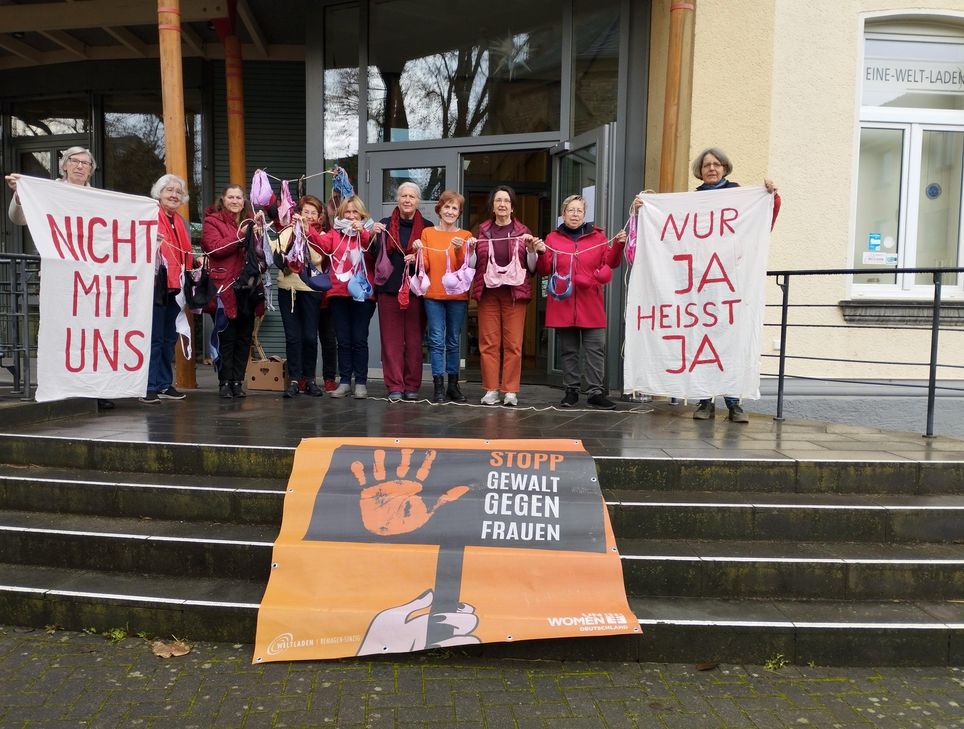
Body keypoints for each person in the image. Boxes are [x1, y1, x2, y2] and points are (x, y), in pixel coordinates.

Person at [634, 147, 781, 423]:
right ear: (699, 172)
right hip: (700, 285)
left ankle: (734, 403)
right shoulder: (694, 201)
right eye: (706, 165)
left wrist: (771, 197)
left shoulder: (740, 198)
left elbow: (761, 225)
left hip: (730, 284)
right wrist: (646, 210)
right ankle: (705, 401)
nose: (711, 169)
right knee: (702, 339)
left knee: (730, 341)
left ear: (725, 168)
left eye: (716, 164)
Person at [6, 147, 115, 411]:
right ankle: (62, 388)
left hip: (92, 279)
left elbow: (116, 231)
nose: (80, 166)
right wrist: (21, 194)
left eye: (85, 163)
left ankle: (95, 389)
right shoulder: (48, 191)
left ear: (91, 170)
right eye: (74, 161)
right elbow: (18, 218)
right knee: (61, 334)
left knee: (92, 335)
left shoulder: (99, 198)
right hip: (59, 278)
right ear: (64, 165)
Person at [537, 195, 626, 410]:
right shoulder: (552, 238)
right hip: (563, 302)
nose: (575, 214)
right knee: (569, 351)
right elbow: (544, 269)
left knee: (595, 349)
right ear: (563, 214)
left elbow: (611, 263)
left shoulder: (598, 237)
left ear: (585, 215)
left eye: (579, 211)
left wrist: (618, 245)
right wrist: (540, 253)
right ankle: (571, 391)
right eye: (571, 210)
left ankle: (596, 393)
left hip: (591, 302)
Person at [470, 185, 542, 407]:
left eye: (506, 201)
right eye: (498, 200)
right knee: (488, 343)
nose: (502, 204)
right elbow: (472, 265)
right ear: (492, 206)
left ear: (512, 207)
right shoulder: (482, 230)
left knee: (513, 344)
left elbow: (531, 268)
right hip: (488, 294)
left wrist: (531, 251)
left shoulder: (523, 231)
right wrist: (470, 251)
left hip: (514, 295)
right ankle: (491, 390)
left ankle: (510, 391)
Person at [201, 184, 265, 399]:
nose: (235, 201)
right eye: (231, 197)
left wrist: (259, 234)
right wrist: (241, 236)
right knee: (226, 337)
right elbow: (214, 248)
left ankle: (237, 381)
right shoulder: (212, 221)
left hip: (248, 287)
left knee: (244, 338)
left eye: (238, 197)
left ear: (244, 200)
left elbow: (261, 254)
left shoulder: (250, 221)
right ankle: (224, 382)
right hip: (224, 287)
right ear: (223, 199)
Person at [371, 182, 431, 401]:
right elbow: (373, 255)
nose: (407, 200)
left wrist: (418, 257)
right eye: (404, 196)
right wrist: (372, 236)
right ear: (397, 200)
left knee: (414, 342)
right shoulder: (385, 225)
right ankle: (395, 386)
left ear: (418, 201)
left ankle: (412, 385)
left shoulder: (428, 228)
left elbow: (432, 259)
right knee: (391, 341)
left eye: (412, 197)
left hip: (416, 291)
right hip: (389, 290)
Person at [415, 191, 474, 403]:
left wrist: (460, 249)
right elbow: (426, 266)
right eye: (446, 207)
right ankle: (438, 386)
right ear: (439, 209)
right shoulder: (427, 232)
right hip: (433, 294)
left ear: (459, 213)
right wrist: (418, 252)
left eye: (454, 208)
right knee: (436, 340)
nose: (450, 211)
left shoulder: (465, 235)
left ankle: (453, 385)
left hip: (457, 295)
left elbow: (463, 267)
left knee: (453, 341)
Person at [141, 174, 192, 404]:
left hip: (176, 286)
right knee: (154, 338)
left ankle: (163, 383)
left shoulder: (179, 220)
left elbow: (183, 252)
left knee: (169, 337)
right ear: (159, 193)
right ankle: (149, 385)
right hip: (155, 284)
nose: (174, 195)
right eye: (169, 190)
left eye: (178, 192)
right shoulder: (150, 214)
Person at [318, 194, 376, 399]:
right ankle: (344, 382)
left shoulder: (369, 231)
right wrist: (306, 228)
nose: (351, 216)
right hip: (338, 293)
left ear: (362, 215)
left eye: (355, 212)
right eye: (347, 212)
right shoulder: (334, 233)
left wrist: (364, 233)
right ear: (341, 214)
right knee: (342, 340)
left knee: (359, 339)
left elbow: (374, 252)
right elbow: (320, 244)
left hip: (362, 294)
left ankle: (360, 382)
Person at [273, 195, 329, 398]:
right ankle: (294, 380)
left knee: (310, 337)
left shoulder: (320, 235)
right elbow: (276, 252)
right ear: (299, 213)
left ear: (319, 217)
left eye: (314, 213)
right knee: (292, 337)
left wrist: (306, 233)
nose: (310, 216)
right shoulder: (288, 230)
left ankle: (310, 379)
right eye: (306, 212)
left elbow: (317, 258)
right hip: (287, 289)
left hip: (310, 290)